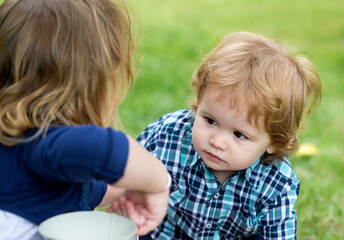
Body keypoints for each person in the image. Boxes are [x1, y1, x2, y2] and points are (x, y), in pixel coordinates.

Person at [107, 32, 322, 239]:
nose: (216, 141)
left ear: (275, 141)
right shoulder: (166, 136)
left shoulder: (276, 184)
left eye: (239, 134)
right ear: (198, 104)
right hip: (165, 232)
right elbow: (124, 176)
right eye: (210, 120)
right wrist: (128, 204)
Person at [0, 0, 171, 239]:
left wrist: (127, 192)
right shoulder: (41, 143)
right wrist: (159, 183)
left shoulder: (22, 152)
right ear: (91, 88)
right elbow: (102, 150)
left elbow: (82, 189)